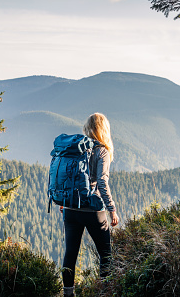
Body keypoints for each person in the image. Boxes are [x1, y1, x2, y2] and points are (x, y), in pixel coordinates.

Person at [61, 112, 119, 297]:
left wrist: (64, 199)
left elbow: (65, 176)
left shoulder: (76, 148)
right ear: (104, 129)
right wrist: (112, 209)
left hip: (70, 208)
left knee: (70, 253)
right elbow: (102, 182)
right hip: (93, 209)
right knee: (106, 254)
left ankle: (68, 294)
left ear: (88, 128)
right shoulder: (102, 150)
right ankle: (104, 292)